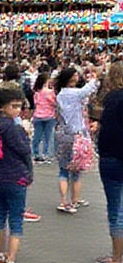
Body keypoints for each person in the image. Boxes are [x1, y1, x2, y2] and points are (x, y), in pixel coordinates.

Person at [0, 87, 33, 263]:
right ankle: (11, 261)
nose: (17, 110)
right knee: (16, 220)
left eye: (19, 106)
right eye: (14, 106)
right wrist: (26, 134)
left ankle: (1, 253)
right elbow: (24, 151)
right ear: (3, 107)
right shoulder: (15, 129)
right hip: (17, 178)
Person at [54, 65, 100, 214]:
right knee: (77, 169)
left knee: (64, 169)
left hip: (63, 133)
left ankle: (65, 200)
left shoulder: (60, 95)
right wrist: (94, 76)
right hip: (78, 133)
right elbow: (90, 88)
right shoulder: (75, 93)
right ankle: (74, 199)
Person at [95, 60, 123, 263]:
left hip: (113, 157)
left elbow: (108, 131)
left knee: (116, 209)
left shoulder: (113, 99)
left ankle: (116, 258)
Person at [32, 68, 57, 162]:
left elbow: (35, 103)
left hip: (38, 115)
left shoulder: (36, 92)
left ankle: (36, 153)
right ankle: (46, 154)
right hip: (49, 116)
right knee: (48, 137)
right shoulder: (50, 92)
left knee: (37, 136)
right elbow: (54, 103)